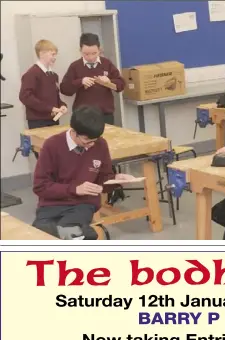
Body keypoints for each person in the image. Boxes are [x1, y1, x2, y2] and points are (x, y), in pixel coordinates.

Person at [31, 106, 137, 239]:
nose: (91, 145)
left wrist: (116, 179)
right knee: (40, 235)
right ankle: (85, 235)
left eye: (95, 140)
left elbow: (103, 180)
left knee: (69, 232)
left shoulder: (100, 144)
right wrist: (75, 189)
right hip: (52, 204)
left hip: (83, 204)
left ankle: (81, 235)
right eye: (87, 141)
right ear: (74, 132)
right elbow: (40, 186)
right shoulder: (52, 145)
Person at [60, 33, 125, 126]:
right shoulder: (75, 66)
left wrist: (109, 82)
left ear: (99, 50)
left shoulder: (106, 63)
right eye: (86, 54)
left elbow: (121, 84)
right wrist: (80, 82)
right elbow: (64, 89)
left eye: (94, 53)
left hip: (105, 115)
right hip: (82, 116)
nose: (90, 57)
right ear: (80, 50)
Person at [19, 39, 67, 130]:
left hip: (53, 118)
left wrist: (62, 105)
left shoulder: (53, 75)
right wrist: (50, 108)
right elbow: (25, 96)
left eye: (55, 54)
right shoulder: (32, 73)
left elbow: (55, 97)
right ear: (41, 54)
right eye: (52, 54)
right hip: (38, 121)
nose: (55, 57)